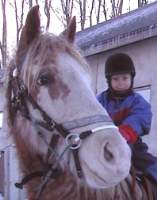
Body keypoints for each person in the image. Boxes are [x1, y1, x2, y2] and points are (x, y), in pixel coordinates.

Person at [97, 53, 157, 184]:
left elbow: (140, 118)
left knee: (153, 166)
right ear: (109, 80)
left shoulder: (137, 101)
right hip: (103, 145)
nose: (121, 83)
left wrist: (124, 132)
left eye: (125, 78)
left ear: (131, 78)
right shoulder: (100, 101)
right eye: (116, 79)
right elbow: (92, 116)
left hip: (132, 146)